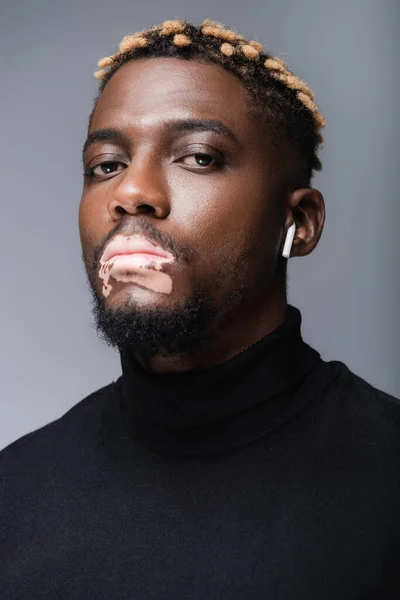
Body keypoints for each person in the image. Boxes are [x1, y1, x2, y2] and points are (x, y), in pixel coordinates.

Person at [1, 18, 399, 599]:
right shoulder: (15, 492)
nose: (130, 192)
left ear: (299, 221)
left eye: (198, 157)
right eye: (105, 165)